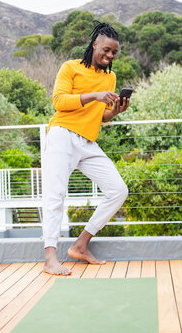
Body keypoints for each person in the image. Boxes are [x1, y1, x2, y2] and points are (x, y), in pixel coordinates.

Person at [42, 22, 130, 275]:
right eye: (106, 49)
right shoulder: (70, 68)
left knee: (118, 190)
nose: (110, 55)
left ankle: (80, 245)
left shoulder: (109, 77)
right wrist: (94, 95)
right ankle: (50, 258)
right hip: (62, 135)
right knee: (55, 195)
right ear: (94, 45)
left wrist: (114, 111)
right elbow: (59, 102)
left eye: (114, 52)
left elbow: (101, 116)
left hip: (87, 142)